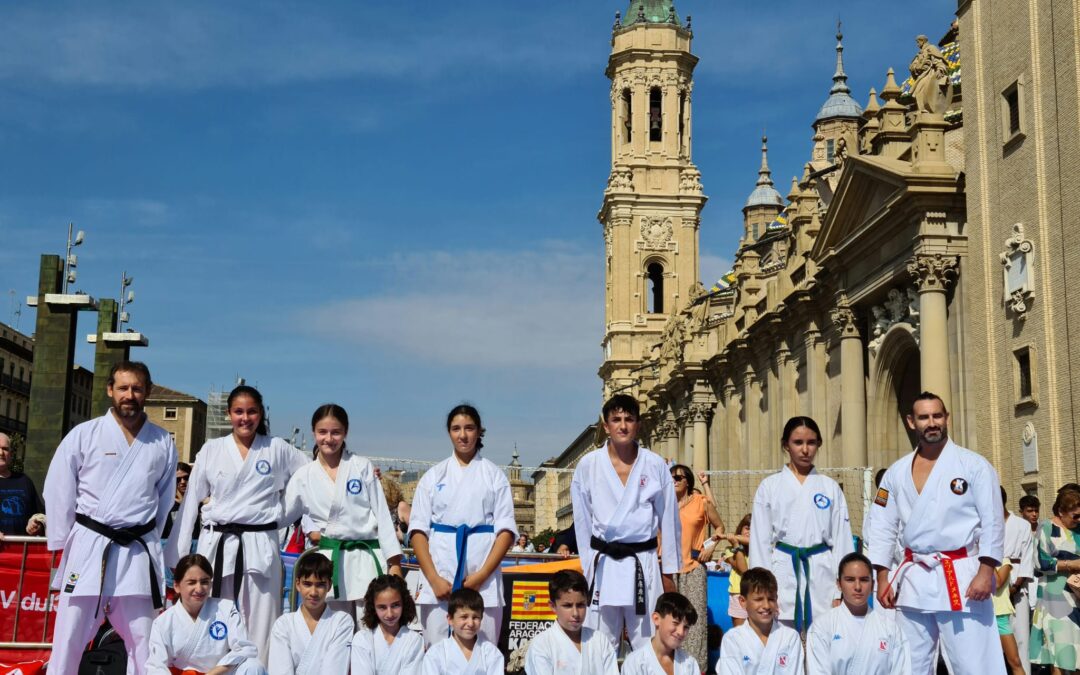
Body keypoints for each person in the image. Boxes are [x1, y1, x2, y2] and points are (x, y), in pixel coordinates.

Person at [43, 361, 178, 675]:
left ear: (148, 392)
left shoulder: (161, 441)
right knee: (69, 637)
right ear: (110, 390)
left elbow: (165, 498)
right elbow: (59, 488)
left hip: (136, 551)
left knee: (145, 641)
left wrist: (149, 537)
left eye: (137, 388)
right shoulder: (84, 435)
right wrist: (63, 542)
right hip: (90, 546)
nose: (129, 395)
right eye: (123, 388)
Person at [166, 384, 308, 663]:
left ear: (261, 414)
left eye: (252, 412)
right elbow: (191, 500)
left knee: (261, 624)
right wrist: (180, 555)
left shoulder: (277, 448)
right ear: (229, 414)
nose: (245, 418)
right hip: (217, 544)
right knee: (214, 619)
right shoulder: (212, 449)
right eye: (239, 412)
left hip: (259, 545)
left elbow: (312, 476)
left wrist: (281, 515)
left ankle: (259, 670)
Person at [868, 392, 1005, 675]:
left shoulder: (974, 465)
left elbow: (993, 520)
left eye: (937, 416)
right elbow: (882, 525)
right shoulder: (895, 473)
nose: (932, 423)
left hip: (962, 577)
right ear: (911, 422)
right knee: (910, 663)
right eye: (924, 417)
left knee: (972, 663)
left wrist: (986, 570)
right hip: (914, 578)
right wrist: (882, 577)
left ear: (947, 418)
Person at [570, 393, 680, 651]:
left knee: (648, 641)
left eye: (629, 419)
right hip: (603, 562)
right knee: (599, 641)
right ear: (606, 426)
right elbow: (582, 522)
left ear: (638, 425)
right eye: (616, 419)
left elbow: (670, 520)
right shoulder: (588, 465)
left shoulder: (654, 465)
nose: (623, 425)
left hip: (643, 561)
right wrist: (588, 567)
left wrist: (669, 572)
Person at [409, 404, 517, 647]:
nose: (463, 435)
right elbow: (417, 531)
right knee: (437, 649)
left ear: (479, 431)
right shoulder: (434, 476)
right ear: (449, 433)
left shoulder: (493, 475)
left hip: (483, 578)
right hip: (440, 572)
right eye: (456, 428)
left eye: (469, 428)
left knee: (484, 649)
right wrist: (434, 578)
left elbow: (506, 532)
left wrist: (481, 576)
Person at [282, 404, 403, 619]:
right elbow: (279, 516)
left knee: (370, 630)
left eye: (335, 432)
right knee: (333, 632)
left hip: (365, 559)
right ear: (313, 432)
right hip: (329, 563)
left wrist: (394, 564)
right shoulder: (303, 476)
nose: (329, 438)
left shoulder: (361, 466)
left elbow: (383, 515)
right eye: (322, 432)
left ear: (345, 432)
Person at [750, 416, 854, 632]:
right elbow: (759, 542)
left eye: (811, 442)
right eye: (798, 443)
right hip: (783, 572)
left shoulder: (829, 487)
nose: (805, 449)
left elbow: (842, 540)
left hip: (822, 573)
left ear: (819, 444)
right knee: (785, 643)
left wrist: (842, 589)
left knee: (824, 639)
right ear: (786, 445)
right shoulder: (769, 487)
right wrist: (763, 591)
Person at [148, 553, 265, 675]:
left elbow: (246, 649)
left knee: (253, 666)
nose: (199, 589)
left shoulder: (225, 609)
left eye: (204, 582)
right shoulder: (163, 622)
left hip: (218, 673)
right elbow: (155, 667)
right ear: (177, 586)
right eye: (191, 582)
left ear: (210, 584)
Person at [806, 552, 910, 674]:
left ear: (872, 585)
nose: (857, 587)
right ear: (839, 584)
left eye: (864, 580)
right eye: (850, 580)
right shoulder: (822, 627)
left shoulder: (891, 629)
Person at [670, 463, 724, 667]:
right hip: (667, 570)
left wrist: (710, 546)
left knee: (695, 621)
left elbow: (720, 526)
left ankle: (696, 668)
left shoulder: (701, 502)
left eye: (678, 478)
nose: (674, 481)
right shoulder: (662, 504)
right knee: (670, 620)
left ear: (687, 482)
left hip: (693, 567)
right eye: (671, 478)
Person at [268, 552, 354, 674]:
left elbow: (334, 669)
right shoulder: (283, 624)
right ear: (298, 584)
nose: (313, 592)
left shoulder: (342, 621)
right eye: (307, 584)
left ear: (329, 585)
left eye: (320, 585)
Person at [524, 569, 618, 674]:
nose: (575, 613)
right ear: (553, 606)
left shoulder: (600, 640)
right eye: (567, 606)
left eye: (580, 605)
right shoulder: (542, 644)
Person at [1029, 486, 1080, 674]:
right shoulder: (1047, 527)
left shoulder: (1079, 530)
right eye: (1075, 516)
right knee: (1059, 652)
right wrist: (1072, 565)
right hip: (1055, 598)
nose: (1079, 520)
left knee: (1078, 652)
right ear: (1061, 511)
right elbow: (1040, 562)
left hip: (1077, 596)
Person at [716, 567, 804, 675]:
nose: (766, 606)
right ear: (743, 601)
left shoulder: (790, 637)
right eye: (758, 599)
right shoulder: (732, 639)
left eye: (771, 599)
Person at [351, 574, 424, 675]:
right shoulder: (362, 639)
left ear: (404, 603)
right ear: (373, 608)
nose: (390, 614)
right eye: (382, 607)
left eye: (395, 605)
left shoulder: (414, 640)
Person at [421, 587, 504, 674]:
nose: (470, 623)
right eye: (464, 617)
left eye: (475, 617)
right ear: (450, 619)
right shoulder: (435, 654)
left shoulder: (491, 653)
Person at [619, 591, 702, 675]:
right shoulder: (635, 663)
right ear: (656, 619)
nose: (680, 632)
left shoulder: (689, 664)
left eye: (686, 627)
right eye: (675, 623)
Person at [1001, 487, 1034, 675]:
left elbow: (1027, 558)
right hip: (992, 587)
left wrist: (1015, 586)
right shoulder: (983, 524)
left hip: (1016, 585)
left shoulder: (1021, 525)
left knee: (1021, 637)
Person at [1014, 493, 1040, 675]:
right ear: (1021, 512)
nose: (1034, 515)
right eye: (1029, 511)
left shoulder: (1043, 529)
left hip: (1040, 582)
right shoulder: (1018, 530)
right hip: (1023, 583)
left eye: (1036, 511)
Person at [0, 432, 45, 536]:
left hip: (20, 550)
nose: (1, 453)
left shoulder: (24, 480)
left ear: (11, 454)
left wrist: (37, 523)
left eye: (5, 449)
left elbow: (40, 513)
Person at [721, 514, 751, 627]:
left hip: (755, 593)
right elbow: (743, 569)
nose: (749, 532)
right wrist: (736, 544)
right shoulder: (730, 550)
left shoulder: (757, 550)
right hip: (738, 593)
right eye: (747, 528)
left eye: (753, 529)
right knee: (740, 631)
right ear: (741, 529)